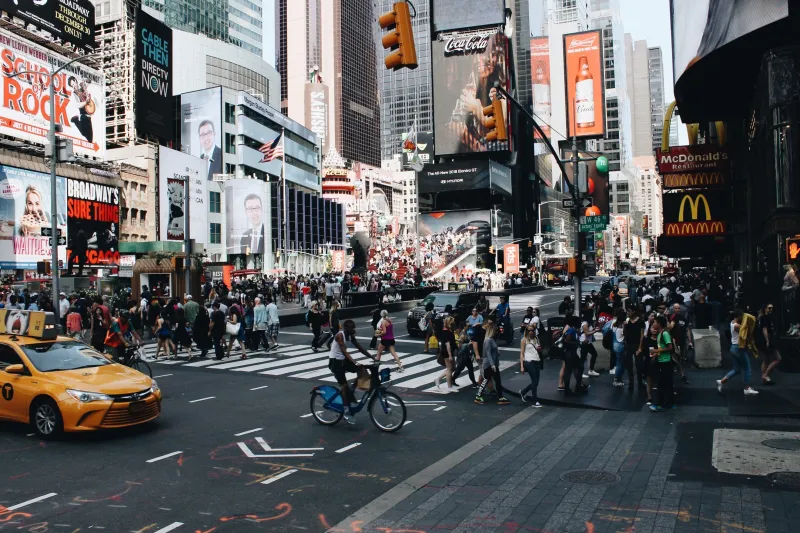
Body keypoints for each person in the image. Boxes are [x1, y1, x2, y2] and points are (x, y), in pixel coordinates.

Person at [328, 319, 376, 424]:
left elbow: (360, 348)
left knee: (362, 370)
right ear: (345, 328)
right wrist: (355, 362)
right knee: (344, 386)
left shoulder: (349, 335)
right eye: (352, 328)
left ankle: (350, 392)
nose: (354, 329)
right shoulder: (339, 336)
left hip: (343, 361)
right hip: (335, 362)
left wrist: (373, 357)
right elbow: (344, 351)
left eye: (354, 327)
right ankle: (346, 411)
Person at [717, 311, 758, 396]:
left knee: (737, 369)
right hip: (739, 348)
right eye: (741, 316)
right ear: (738, 316)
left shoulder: (732, 323)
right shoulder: (737, 326)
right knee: (747, 368)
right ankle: (747, 389)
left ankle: (722, 381)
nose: (742, 318)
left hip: (733, 348)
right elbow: (745, 334)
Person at [474, 324, 510, 405]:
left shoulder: (492, 340)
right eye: (495, 330)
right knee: (486, 380)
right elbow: (488, 353)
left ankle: (500, 396)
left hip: (494, 363)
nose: (496, 332)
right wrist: (492, 364)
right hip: (489, 364)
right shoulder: (488, 340)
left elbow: (492, 351)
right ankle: (478, 396)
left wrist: (497, 352)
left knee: (498, 380)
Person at [649, 316, 675, 412]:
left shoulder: (664, 334)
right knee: (663, 383)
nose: (653, 324)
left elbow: (669, 347)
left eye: (655, 322)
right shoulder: (660, 334)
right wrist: (656, 354)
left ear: (659, 324)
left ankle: (662, 404)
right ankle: (668, 403)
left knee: (663, 383)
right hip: (661, 361)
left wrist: (656, 350)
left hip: (666, 362)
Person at [518, 323, 543, 407]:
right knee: (534, 381)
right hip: (529, 361)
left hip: (537, 360)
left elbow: (538, 350)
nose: (531, 332)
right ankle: (534, 401)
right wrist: (522, 366)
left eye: (532, 330)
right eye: (529, 330)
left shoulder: (536, 339)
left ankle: (523, 392)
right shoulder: (524, 340)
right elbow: (521, 353)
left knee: (536, 382)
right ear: (526, 331)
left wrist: (539, 349)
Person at [620, 308, 645, 391]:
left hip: (637, 344)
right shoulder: (627, 321)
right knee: (629, 365)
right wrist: (624, 326)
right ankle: (631, 383)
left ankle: (640, 382)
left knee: (639, 365)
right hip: (629, 344)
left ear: (633, 311)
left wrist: (640, 347)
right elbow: (624, 333)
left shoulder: (640, 321)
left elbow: (642, 335)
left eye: (629, 311)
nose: (628, 313)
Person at [757, 303, 781, 385]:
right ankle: (765, 375)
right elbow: (764, 329)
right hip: (766, 341)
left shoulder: (761, 317)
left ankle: (764, 380)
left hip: (761, 341)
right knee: (778, 359)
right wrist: (767, 341)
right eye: (769, 308)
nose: (771, 310)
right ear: (765, 309)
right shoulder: (765, 318)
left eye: (772, 308)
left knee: (766, 360)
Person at [434, 316, 456, 390]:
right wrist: (450, 355)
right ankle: (449, 386)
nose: (454, 324)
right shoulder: (446, 332)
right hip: (447, 352)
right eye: (453, 322)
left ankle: (438, 379)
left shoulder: (447, 331)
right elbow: (448, 344)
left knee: (452, 368)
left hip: (448, 351)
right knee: (449, 368)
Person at [611, 309, 627, 386]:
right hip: (620, 344)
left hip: (614, 344)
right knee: (619, 363)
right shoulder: (622, 326)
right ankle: (616, 380)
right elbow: (625, 335)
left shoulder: (614, 325)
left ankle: (618, 379)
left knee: (618, 362)